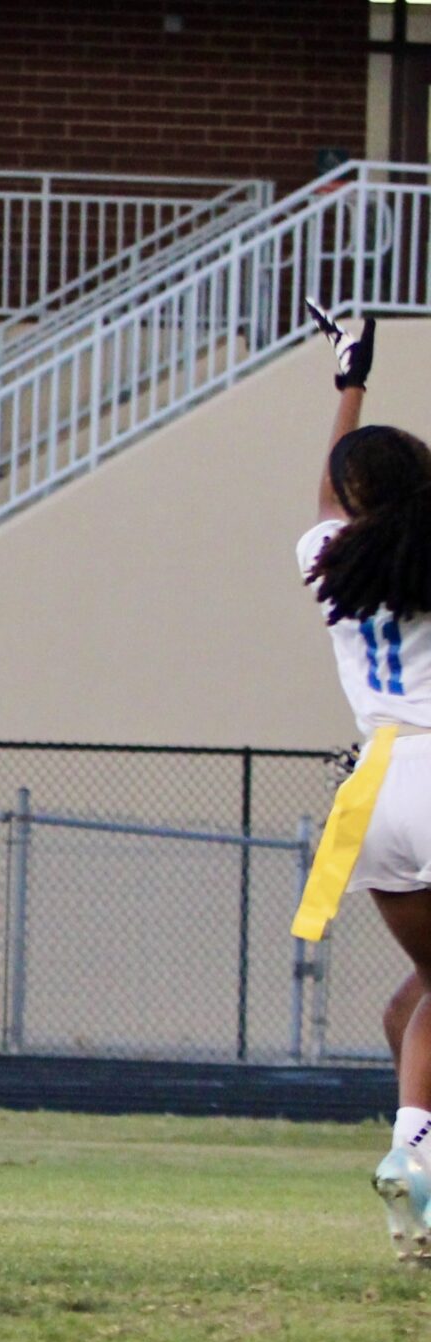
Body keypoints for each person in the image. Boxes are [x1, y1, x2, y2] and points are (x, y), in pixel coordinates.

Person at [291, 300, 431, 1262]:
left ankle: (418, 1152)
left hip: (372, 792)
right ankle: (414, 1153)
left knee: (414, 997)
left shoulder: (326, 558)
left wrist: (351, 383)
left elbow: (332, 502)